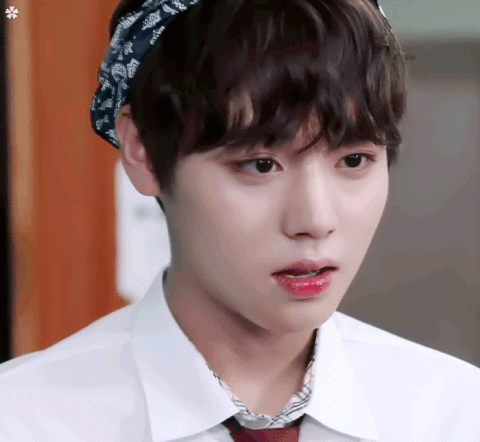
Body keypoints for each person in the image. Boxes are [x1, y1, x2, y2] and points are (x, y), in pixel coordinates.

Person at [1, 0, 480, 440]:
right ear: (142, 150)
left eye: (354, 160)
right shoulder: (27, 418)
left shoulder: (452, 413)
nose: (315, 220)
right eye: (261, 165)